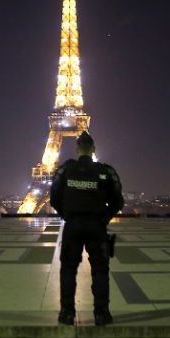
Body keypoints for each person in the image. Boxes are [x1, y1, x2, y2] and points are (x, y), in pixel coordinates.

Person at [50, 131, 124, 326]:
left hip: (73, 225)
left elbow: (54, 197)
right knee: (100, 270)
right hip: (96, 226)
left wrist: (66, 215)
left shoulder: (66, 169)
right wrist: (104, 218)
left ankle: (67, 313)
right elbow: (118, 200)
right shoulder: (105, 171)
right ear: (93, 149)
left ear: (77, 149)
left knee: (68, 269)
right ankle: (101, 313)